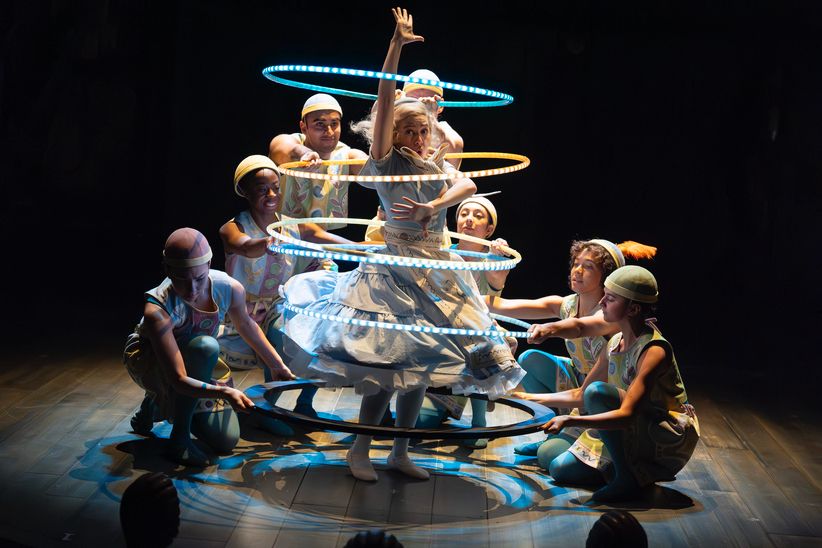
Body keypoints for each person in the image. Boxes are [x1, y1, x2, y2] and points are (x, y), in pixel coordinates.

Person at [280, 7, 524, 482]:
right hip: (393, 270)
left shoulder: (435, 163)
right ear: (393, 132)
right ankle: (359, 449)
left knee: (423, 365)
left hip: (437, 269)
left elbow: (468, 184)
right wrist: (395, 46)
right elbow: (384, 97)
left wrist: (435, 207)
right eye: (408, 129)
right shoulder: (385, 161)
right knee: (390, 366)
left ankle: (400, 451)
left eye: (422, 130)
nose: (416, 136)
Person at [514, 266, 700, 502]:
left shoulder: (653, 350)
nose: (601, 302)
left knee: (598, 393)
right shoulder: (614, 342)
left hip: (659, 433)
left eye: (610, 299)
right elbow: (581, 395)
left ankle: (627, 477)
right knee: (554, 463)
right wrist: (525, 400)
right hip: (627, 427)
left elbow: (627, 414)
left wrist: (570, 420)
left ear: (633, 309)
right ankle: (614, 467)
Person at [124, 228, 294, 466]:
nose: (192, 290)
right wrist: (224, 392)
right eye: (182, 279)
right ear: (168, 270)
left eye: (199, 279)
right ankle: (179, 439)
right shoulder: (158, 310)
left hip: (197, 361)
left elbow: (246, 324)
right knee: (205, 347)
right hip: (155, 361)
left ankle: (154, 405)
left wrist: (277, 365)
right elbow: (178, 379)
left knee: (226, 441)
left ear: (209, 265)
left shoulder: (228, 288)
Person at [486, 239, 655, 466]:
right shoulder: (566, 304)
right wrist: (464, 296)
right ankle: (552, 432)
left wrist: (551, 328)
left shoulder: (611, 314)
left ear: (606, 276)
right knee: (530, 359)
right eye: (576, 263)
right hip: (580, 383)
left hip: (602, 394)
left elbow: (579, 327)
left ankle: (582, 441)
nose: (578, 270)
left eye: (588, 266)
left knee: (549, 457)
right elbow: (502, 305)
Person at [218, 155, 350, 434]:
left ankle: (304, 403)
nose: (271, 195)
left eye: (276, 188)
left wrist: (367, 248)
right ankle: (267, 409)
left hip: (278, 305)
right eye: (262, 189)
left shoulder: (291, 225)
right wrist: (267, 242)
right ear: (245, 192)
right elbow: (244, 246)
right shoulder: (233, 227)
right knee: (280, 337)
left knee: (321, 333)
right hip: (241, 311)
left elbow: (330, 241)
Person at [415, 194, 514, 448]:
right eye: (464, 214)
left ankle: (479, 420)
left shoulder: (493, 260)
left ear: (489, 229)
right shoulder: (442, 254)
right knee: (420, 425)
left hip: (477, 333)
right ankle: (450, 403)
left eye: (477, 216)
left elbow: (496, 285)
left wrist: (498, 257)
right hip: (444, 334)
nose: (469, 219)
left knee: (480, 340)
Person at [268, 93, 368, 229]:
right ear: (304, 127)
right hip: (284, 234)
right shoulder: (288, 142)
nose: (329, 132)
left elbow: (378, 174)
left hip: (326, 238)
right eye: (320, 124)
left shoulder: (347, 156)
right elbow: (286, 148)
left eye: (334, 123)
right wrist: (306, 154)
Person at [402, 68, 464, 169]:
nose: (420, 106)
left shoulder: (447, 134)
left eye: (428, 101)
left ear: (440, 106)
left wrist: (430, 117)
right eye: (413, 100)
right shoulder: (394, 129)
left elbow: (455, 149)